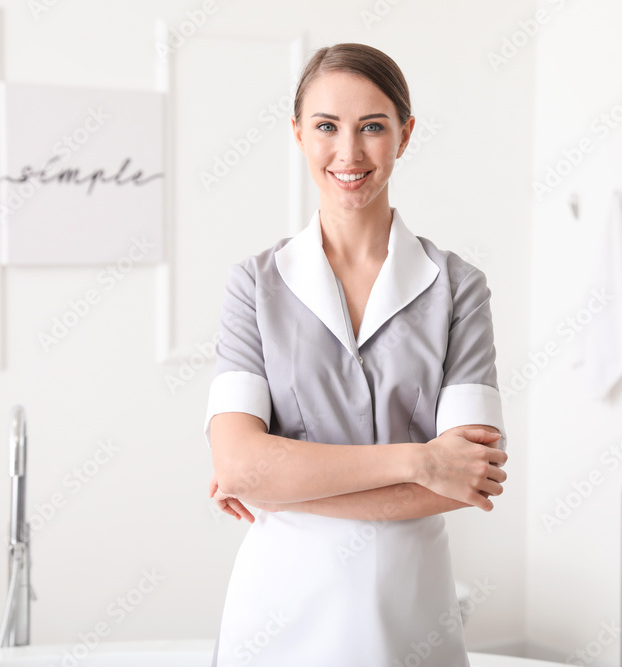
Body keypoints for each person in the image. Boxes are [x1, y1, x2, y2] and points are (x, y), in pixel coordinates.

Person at [203, 42, 509, 667]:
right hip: (280, 607)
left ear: (405, 135)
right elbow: (238, 466)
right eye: (326, 127)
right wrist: (421, 461)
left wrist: (278, 480)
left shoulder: (458, 287)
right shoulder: (254, 285)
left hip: (409, 605)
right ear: (297, 134)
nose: (349, 152)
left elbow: (468, 479)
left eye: (373, 126)